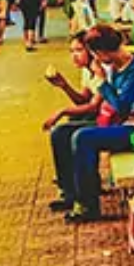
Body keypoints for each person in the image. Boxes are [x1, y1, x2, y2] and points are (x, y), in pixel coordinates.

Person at [62, 25, 134, 222]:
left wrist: (101, 81)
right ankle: (71, 193)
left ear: (103, 52)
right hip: (120, 123)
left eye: (95, 54)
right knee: (61, 133)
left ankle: (88, 204)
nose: (95, 59)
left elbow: (122, 107)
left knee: (83, 139)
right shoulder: (117, 65)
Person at [43, 32, 104, 211]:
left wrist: (62, 111)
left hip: (107, 119)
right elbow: (83, 100)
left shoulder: (101, 70)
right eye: (72, 51)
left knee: (64, 132)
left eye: (78, 50)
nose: (74, 56)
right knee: (63, 131)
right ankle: (68, 189)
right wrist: (64, 85)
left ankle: (79, 190)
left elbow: (93, 106)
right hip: (97, 115)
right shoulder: (87, 71)